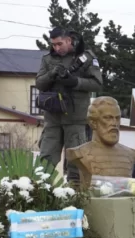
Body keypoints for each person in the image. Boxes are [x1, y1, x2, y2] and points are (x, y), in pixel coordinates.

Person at [35, 27, 103, 182]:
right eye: (53, 45)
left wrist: (75, 82)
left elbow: (97, 83)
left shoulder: (85, 58)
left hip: (76, 118)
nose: (56, 48)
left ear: (69, 40)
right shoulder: (47, 60)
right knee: (46, 160)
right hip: (53, 118)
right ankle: (42, 191)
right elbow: (39, 83)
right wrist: (51, 74)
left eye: (60, 44)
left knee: (76, 162)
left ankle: (75, 195)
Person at [64, 97, 135, 185]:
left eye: (117, 118)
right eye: (108, 118)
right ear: (93, 123)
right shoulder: (79, 153)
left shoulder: (131, 154)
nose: (114, 123)